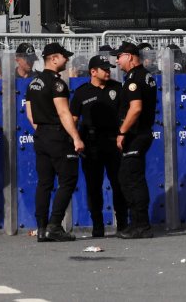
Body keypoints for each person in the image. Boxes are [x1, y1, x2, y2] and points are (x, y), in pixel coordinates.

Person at [25, 42, 83, 242]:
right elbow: (63, 112)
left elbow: (29, 114)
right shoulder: (57, 84)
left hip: (41, 135)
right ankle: (55, 225)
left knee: (44, 183)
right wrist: (75, 137)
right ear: (54, 58)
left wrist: (42, 130)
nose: (67, 59)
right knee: (68, 180)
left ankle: (41, 228)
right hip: (57, 136)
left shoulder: (34, 83)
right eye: (64, 56)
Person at [71, 54, 127, 238]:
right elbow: (73, 119)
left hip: (113, 142)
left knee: (119, 184)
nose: (108, 71)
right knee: (93, 187)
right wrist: (76, 140)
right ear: (93, 72)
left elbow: (126, 114)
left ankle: (123, 225)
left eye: (109, 68)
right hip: (91, 144)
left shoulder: (118, 88)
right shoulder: (81, 92)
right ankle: (98, 225)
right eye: (104, 69)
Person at [114, 41, 157, 239]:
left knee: (131, 179)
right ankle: (137, 223)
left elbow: (136, 108)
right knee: (129, 177)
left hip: (136, 134)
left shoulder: (134, 77)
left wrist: (122, 132)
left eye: (119, 56)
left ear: (129, 56)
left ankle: (141, 225)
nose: (117, 60)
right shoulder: (145, 75)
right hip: (141, 133)